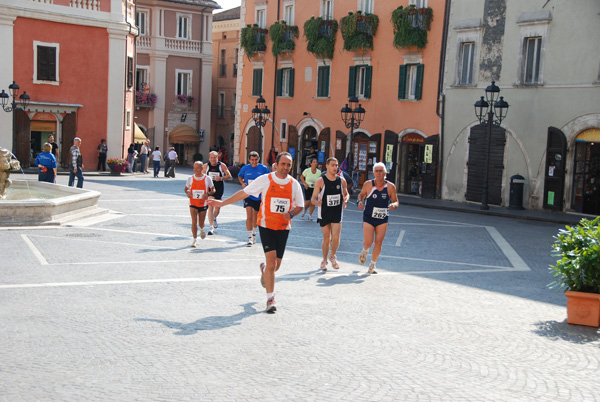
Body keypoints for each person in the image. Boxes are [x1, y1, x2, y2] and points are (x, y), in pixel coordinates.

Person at [208, 152, 304, 313]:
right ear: (277, 164)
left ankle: (264, 269)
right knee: (273, 263)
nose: (286, 167)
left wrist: (292, 214)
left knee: (276, 266)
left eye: (289, 165)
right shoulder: (266, 179)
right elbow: (244, 192)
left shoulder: (294, 184)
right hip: (266, 225)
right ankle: (270, 299)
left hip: (283, 227)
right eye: (283, 164)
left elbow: (300, 205)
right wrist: (223, 203)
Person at [357, 162, 399, 274]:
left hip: (382, 218)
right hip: (369, 217)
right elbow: (361, 195)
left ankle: (372, 264)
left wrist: (394, 205)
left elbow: (396, 200)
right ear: (374, 173)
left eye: (381, 171)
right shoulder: (368, 184)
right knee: (369, 242)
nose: (379, 173)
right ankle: (365, 250)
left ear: (385, 173)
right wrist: (359, 202)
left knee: (379, 242)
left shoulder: (390, 186)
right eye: (377, 171)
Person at [312, 157, 349, 271]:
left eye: (336, 165)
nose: (335, 167)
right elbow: (313, 198)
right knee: (327, 238)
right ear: (327, 166)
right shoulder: (320, 181)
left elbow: (346, 194)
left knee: (336, 237)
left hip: (337, 212)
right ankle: (324, 260)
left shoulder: (342, 181)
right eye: (332, 165)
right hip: (324, 212)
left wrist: (346, 199)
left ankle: (332, 256)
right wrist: (316, 202)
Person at [237, 151, 270, 246]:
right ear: (249, 160)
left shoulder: (263, 169)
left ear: (258, 160)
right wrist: (242, 183)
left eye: (255, 160)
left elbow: (269, 178)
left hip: (259, 196)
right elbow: (240, 176)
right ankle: (249, 237)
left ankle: (254, 233)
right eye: (252, 160)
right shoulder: (245, 168)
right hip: (248, 194)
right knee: (249, 215)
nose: (254, 162)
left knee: (255, 216)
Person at [185, 161, 214, 248]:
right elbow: (186, 189)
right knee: (194, 222)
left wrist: (207, 194)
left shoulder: (207, 179)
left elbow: (213, 190)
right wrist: (187, 193)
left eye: (197, 168)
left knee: (201, 223)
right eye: (194, 168)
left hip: (203, 204)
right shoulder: (190, 178)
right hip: (193, 203)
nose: (196, 170)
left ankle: (202, 229)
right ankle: (194, 240)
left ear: (202, 169)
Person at [202, 150, 232, 235]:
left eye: (214, 157)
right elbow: (200, 175)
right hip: (210, 189)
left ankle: (214, 218)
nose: (213, 159)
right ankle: (211, 228)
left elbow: (229, 175)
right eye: (211, 158)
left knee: (218, 208)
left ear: (217, 158)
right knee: (210, 206)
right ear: (209, 158)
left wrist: (221, 178)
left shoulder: (222, 165)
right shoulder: (206, 166)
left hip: (219, 189)